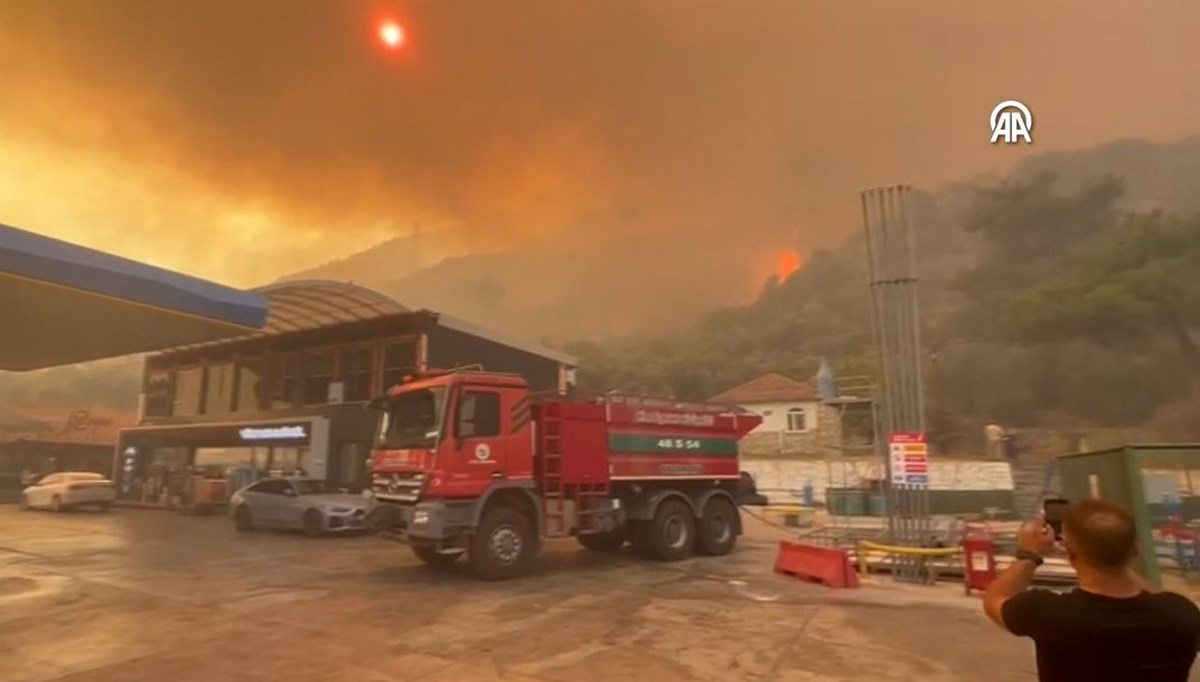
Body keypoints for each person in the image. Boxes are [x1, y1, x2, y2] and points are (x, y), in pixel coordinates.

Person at [983, 499, 1200, 682]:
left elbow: (994, 598)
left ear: (1070, 556)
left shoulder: (1047, 613)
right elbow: (1157, 598)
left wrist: (1029, 554)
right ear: (1135, 550)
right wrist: (1117, 554)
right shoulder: (1181, 614)